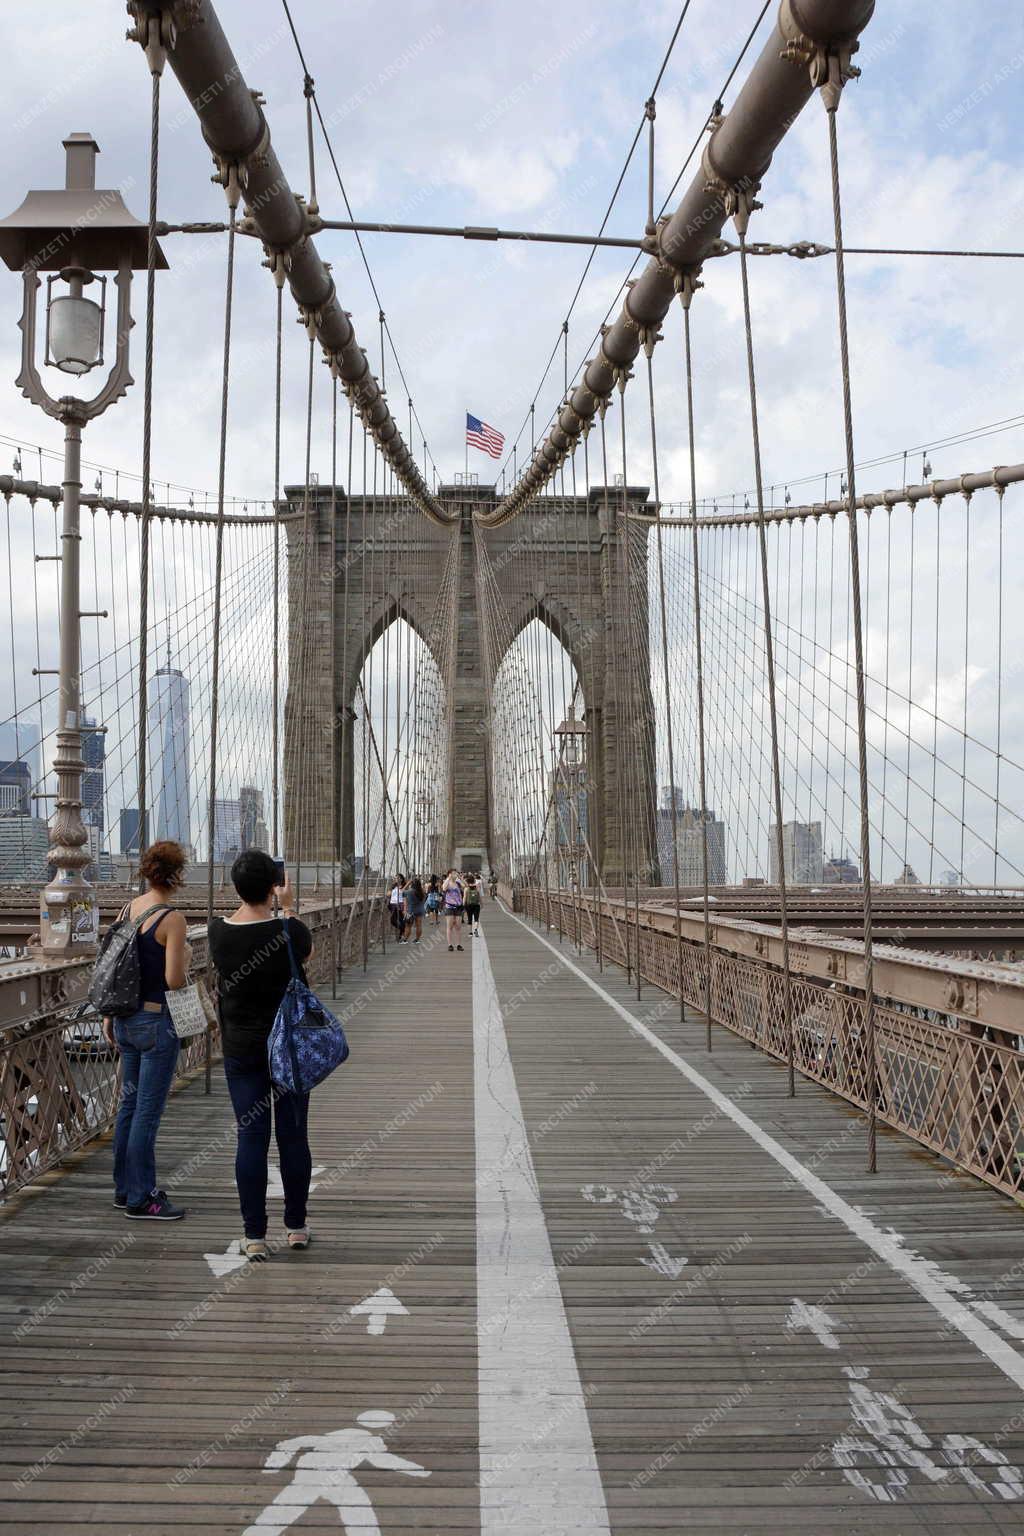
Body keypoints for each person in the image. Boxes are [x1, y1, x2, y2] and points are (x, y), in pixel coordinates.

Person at [208, 851, 315, 1261]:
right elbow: (305, 955)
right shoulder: (289, 930)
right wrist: (288, 909)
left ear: (235, 886)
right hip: (289, 1048)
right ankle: (296, 1227)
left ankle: (254, 1236)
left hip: (241, 1050)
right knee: (293, 1136)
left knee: (251, 1138)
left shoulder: (218, 933)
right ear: (274, 885)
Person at [102, 839, 191, 1221]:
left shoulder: (128, 908)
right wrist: (184, 956)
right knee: (146, 1113)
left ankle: (124, 1189)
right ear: (176, 875)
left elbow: (115, 969)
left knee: (128, 1106)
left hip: (123, 1020)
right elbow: (173, 981)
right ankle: (142, 1198)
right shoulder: (171, 918)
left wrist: (109, 1016)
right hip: (155, 1023)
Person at [442, 869, 464, 952]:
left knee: (458, 926)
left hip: (458, 906)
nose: (456, 874)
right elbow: (444, 888)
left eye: (456, 873)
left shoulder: (457, 883)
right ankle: (450, 944)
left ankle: (458, 944)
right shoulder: (447, 882)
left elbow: (465, 886)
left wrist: (460, 878)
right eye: (454, 873)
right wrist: (448, 878)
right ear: (450, 874)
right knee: (450, 926)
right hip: (449, 907)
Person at [402, 875, 426, 942]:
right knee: (419, 925)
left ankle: (405, 939)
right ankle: (417, 939)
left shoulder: (409, 892)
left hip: (411, 911)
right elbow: (424, 900)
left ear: (412, 884)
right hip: (420, 910)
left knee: (408, 926)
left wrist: (408, 883)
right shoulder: (422, 892)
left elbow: (401, 892)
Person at [387, 874, 405, 942]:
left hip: (400, 904)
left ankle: (400, 933)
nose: (395, 879)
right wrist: (392, 888)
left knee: (399, 920)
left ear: (401, 879)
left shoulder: (403, 886)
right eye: (395, 878)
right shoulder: (393, 886)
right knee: (394, 920)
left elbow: (403, 893)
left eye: (397, 878)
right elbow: (388, 894)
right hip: (392, 905)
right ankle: (401, 931)